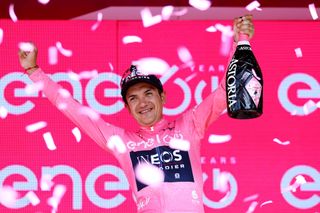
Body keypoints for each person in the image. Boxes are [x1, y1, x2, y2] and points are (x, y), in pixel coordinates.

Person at [18, 15, 254, 213]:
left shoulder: (189, 125)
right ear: (127, 106)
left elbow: (225, 92)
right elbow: (72, 108)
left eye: (148, 93)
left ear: (162, 97)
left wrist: (240, 42)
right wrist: (34, 71)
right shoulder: (122, 142)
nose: (142, 102)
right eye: (133, 98)